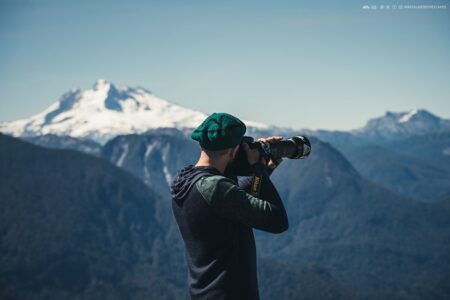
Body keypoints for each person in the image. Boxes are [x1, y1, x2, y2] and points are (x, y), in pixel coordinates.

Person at [170, 112, 289, 300]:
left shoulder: (185, 181)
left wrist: (266, 169)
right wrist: (258, 167)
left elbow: (237, 199)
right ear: (234, 151)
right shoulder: (215, 187)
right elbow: (277, 221)